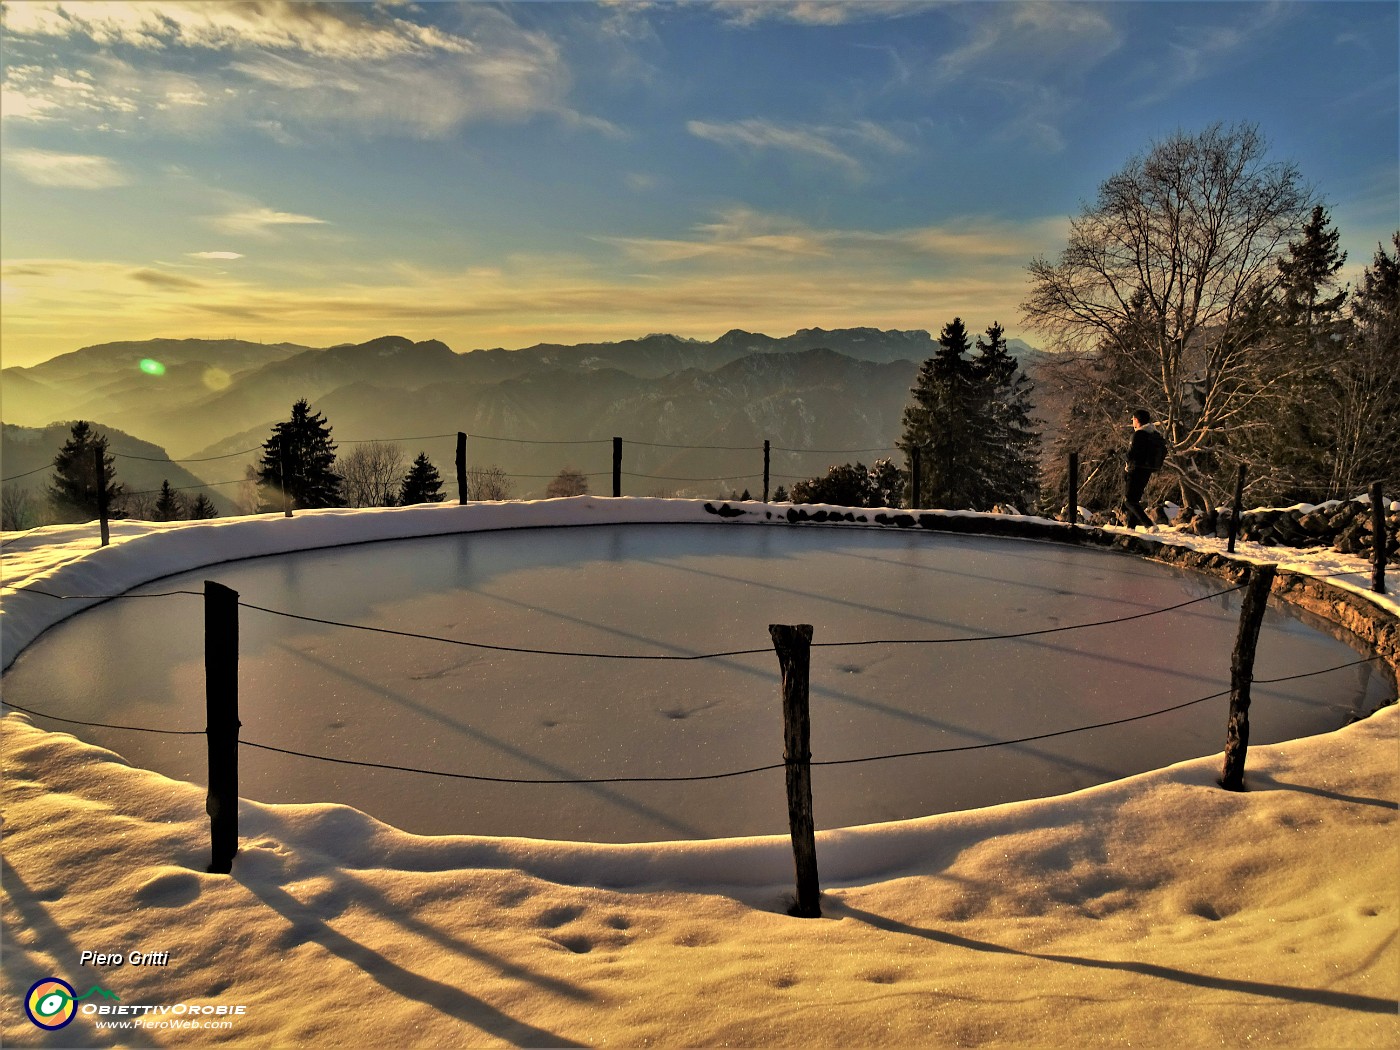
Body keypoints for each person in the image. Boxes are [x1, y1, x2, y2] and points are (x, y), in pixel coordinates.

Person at [1122, 409, 1165, 528]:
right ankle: (1130, 528)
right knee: (1134, 500)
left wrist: (1118, 455)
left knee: (1129, 500)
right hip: (1147, 470)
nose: (1132, 422)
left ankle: (1149, 525)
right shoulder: (1153, 434)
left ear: (1136, 420)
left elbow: (1131, 455)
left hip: (1136, 469)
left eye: (1133, 419)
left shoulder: (1138, 434)